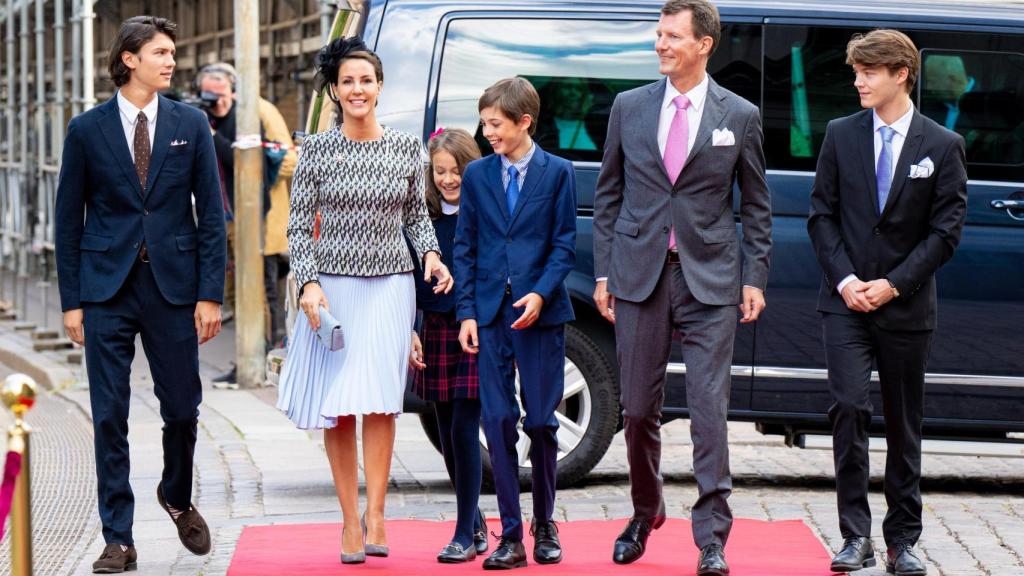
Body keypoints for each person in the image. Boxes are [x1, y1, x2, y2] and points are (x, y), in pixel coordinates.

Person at [592, 0, 771, 573]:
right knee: (639, 409)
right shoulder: (629, 107)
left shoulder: (739, 114)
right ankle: (645, 512)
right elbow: (608, 195)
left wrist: (755, 278)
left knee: (707, 408)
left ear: (704, 45)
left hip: (711, 280)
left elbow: (757, 207)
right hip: (640, 276)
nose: (661, 44)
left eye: (673, 36)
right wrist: (604, 271)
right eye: (659, 34)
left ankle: (712, 537)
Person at [54, 15, 225, 573]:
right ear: (129, 59)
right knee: (109, 414)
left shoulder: (191, 124)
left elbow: (211, 219)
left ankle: (175, 495)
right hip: (106, 291)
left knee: (182, 409)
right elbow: (67, 221)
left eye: (172, 52)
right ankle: (118, 538)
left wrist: (210, 294)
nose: (171, 61)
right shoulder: (86, 130)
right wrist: (72, 300)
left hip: (173, 290)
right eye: (160, 52)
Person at [275, 36, 453, 564]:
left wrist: (432, 256)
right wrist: (308, 284)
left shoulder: (405, 147)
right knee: (339, 407)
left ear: (379, 87)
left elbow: (417, 217)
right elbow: (299, 227)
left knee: (379, 401)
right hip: (334, 288)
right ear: (335, 89)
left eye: (366, 80)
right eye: (348, 81)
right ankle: (349, 520)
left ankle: (377, 513)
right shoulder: (318, 150)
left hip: (391, 287)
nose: (358, 89)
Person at [807, 30, 968, 576]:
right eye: (856, 72)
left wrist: (895, 284)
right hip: (844, 303)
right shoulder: (838, 134)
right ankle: (856, 536)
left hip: (906, 308)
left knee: (904, 425)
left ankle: (903, 541)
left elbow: (945, 233)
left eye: (868, 72)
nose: (858, 81)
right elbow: (821, 215)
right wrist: (847, 279)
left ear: (901, 73)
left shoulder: (943, 145)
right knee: (849, 408)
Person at [454, 77, 577, 570]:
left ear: (524, 122)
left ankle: (544, 522)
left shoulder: (559, 173)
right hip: (488, 315)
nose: (486, 134)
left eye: (495, 124)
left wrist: (540, 293)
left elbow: (565, 244)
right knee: (498, 420)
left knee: (543, 421)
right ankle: (510, 533)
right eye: (484, 123)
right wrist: (466, 313)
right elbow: (465, 246)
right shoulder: (478, 176)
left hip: (540, 315)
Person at [408, 127, 488, 563]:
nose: (448, 179)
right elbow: (410, 279)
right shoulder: (423, 218)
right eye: (440, 171)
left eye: (455, 170)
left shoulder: (482, 213)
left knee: (463, 427)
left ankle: (462, 532)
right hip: (436, 327)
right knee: (444, 430)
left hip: (472, 329)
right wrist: (411, 326)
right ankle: (472, 521)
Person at [258, 98, 298, 348]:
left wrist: (257, 174)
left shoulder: (262, 110)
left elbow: (289, 159)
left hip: (265, 221)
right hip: (236, 225)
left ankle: (264, 353)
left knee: (265, 292)